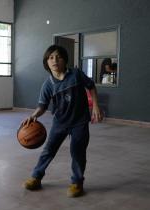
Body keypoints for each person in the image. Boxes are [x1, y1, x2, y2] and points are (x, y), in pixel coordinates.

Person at [22, 45, 103, 197]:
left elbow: (91, 87)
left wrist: (96, 106)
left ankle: (77, 183)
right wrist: (34, 115)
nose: (55, 60)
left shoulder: (76, 74)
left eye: (58, 57)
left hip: (80, 122)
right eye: (51, 57)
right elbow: (42, 106)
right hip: (60, 123)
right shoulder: (47, 85)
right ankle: (36, 177)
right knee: (48, 151)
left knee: (78, 153)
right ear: (46, 62)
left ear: (65, 60)